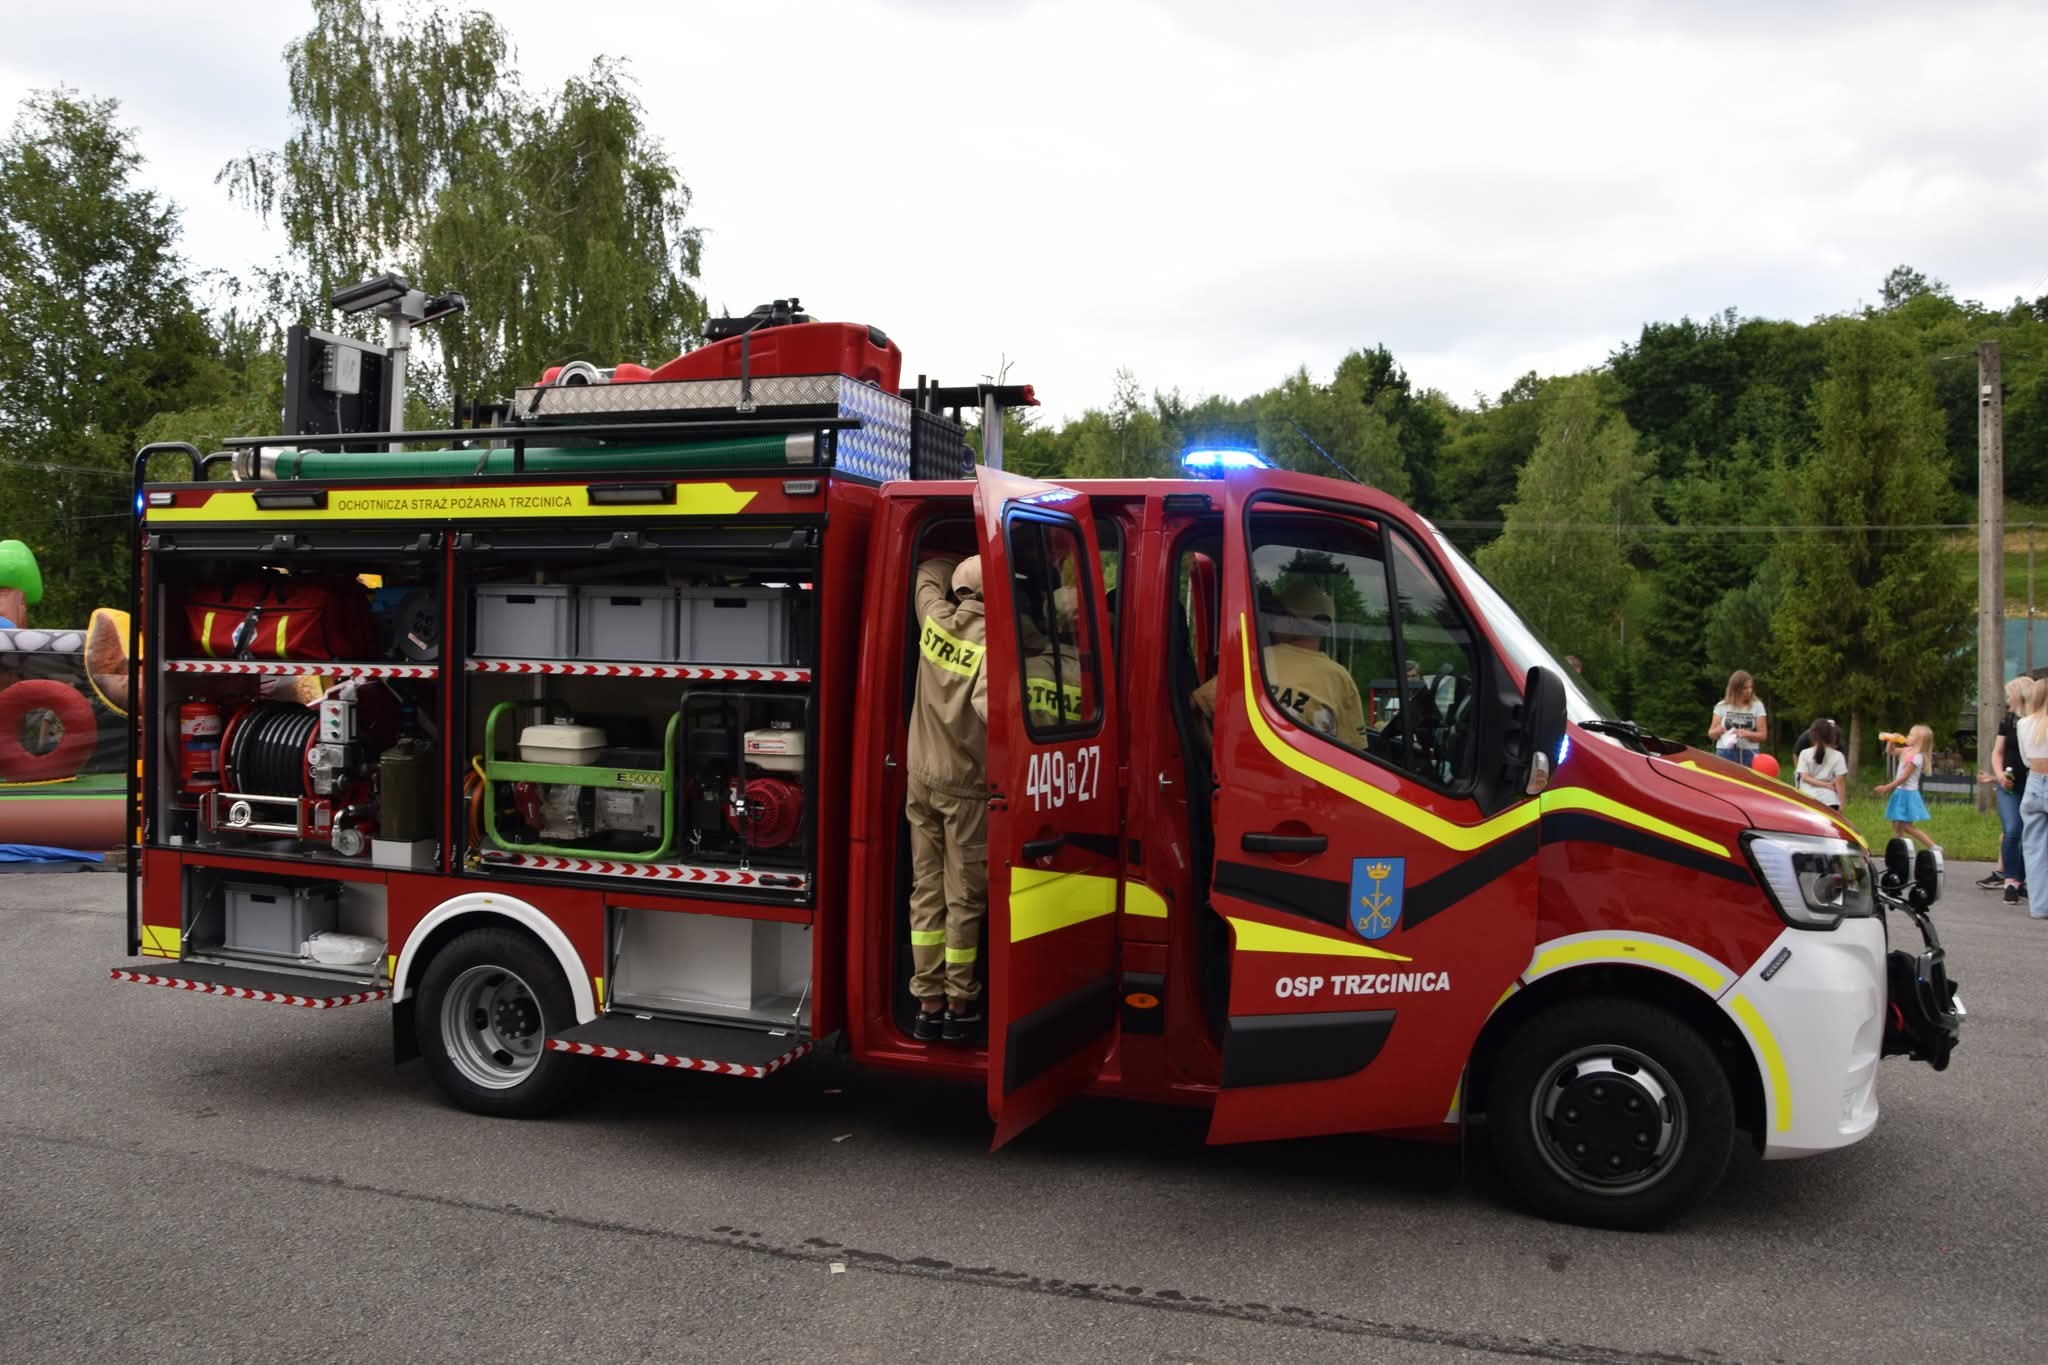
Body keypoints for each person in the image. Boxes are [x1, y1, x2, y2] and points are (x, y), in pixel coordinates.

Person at [904, 554, 991, 1043]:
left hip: (921, 780)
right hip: (966, 790)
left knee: (926, 888)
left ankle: (927, 1002)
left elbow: (926, 577)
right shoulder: (994, 644)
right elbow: (995, 713)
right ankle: (960, 1004)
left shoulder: (935, 619)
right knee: (964, 897)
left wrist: (951, 560)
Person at [1189, 580, 1368, 751]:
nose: (1271, 621)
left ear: (1290, 621)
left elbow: (1196, 705)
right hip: (1306, 773)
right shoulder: (1339, 677)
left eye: (1277, 615)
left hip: (1245, 771)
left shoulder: (1256, 662)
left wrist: (1215, 755)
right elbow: (1354, 748)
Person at [1975, 677, 2030, 903]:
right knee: (2012, 829)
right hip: (2008, 784)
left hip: (2032, 784)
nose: (2007, 700)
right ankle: (2010, 880)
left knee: (2029, 832)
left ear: (2021, 696)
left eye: (2010, 695)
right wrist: (1998, 776)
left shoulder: (2038, 721)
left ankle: (2022, 880)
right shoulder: (2008, 721)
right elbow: (1997, 752)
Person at [1873, 724, 1938, 853]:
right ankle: (1900, 847)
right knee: (1896, 823)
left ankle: (1933, 846)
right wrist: (1891, 740)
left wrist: (1887, 787)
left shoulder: (1917, 757)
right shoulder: (1906, 750)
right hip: (1900, 792)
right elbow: (1890, 751)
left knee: (1906, 825)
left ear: (1919, 741)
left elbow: (1904, 777)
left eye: (1911, 735)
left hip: (1908, 794)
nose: (1908, 736)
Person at [2017, 677, 2048, 921]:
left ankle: (2040, 907)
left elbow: (2026, 759)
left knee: (2035, 848)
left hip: (2035, 782)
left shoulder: (2024, 724)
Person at [1708, 670, 1767, 768]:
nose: (1749, 691)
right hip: (1725, 752)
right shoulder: (1721, 706)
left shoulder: (1757, 705)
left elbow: (1763, 735)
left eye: (1751, 687)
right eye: (1745, 688)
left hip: (1749, 752)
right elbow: (1711, 734)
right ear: (1735, 689)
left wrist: (1747, 734)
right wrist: (1718, 730)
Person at [1793, 718, 1847, 809]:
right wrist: (1841, 805)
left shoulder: (1804, 753)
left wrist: (1825, 785)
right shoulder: (1838, 756)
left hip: (1806, 799)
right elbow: (1840, 782)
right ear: (1832, 736)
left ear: (1812, 736)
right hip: (1830, 801)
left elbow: (1804, 777)